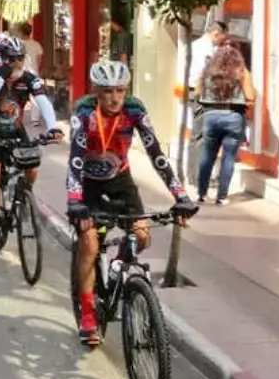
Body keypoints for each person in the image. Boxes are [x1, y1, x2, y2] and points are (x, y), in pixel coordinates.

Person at [67, 60, 199, 346]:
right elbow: (75, 159)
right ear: (96, 91)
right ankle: (88, 312)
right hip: (87, 184)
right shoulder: (84, 112)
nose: (115, 98)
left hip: (120, 181)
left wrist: (181, 196)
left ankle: (117, 265)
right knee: (90, 243)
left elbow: (156, 156)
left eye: (120, 90)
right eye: (107, 91)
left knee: (142, 236)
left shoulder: (134, 109)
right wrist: (75, 201)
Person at [0, 36, 63, 244]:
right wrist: (1, 77)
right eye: (11, 59)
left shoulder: (29, 79)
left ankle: (25, 194)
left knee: (32, 168)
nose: (16, 63)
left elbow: (43, 102)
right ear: (3, 60)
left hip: (16, 132)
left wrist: (53, 127)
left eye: (20, 58)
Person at [195, 42, 255, 205]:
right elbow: (250, 96)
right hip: (233, 116)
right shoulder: (242, 71)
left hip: (211, 115)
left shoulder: (207, 70)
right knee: (228, 157)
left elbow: (197, 92)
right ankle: (221, 197)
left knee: (208, 156)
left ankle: (201, 193)